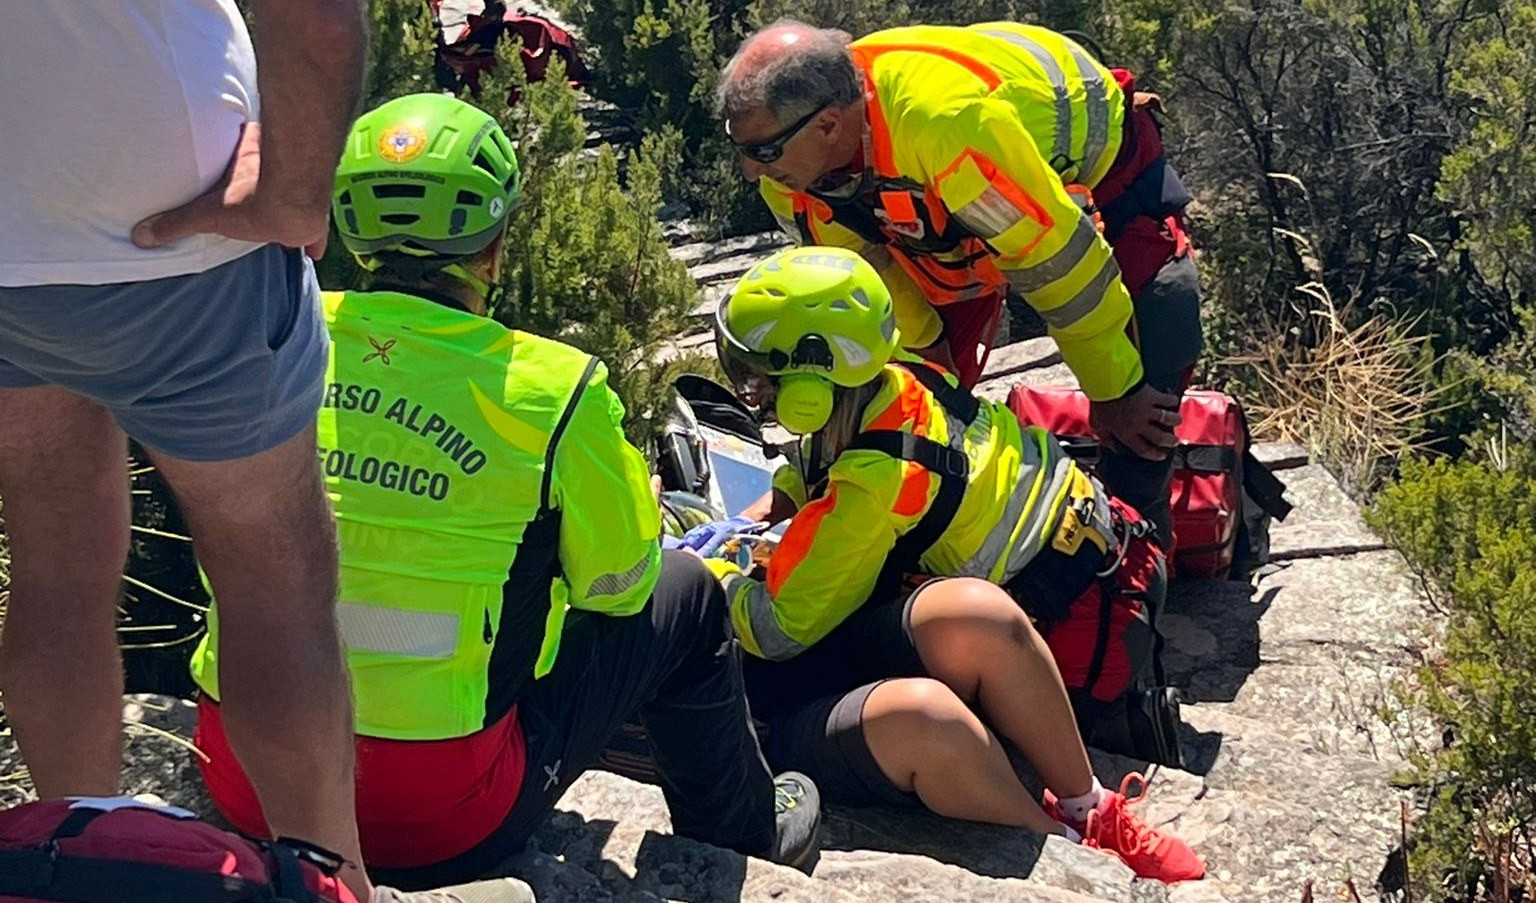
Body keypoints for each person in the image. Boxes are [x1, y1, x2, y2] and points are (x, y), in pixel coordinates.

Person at [189, 93, 823, 892]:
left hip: (249, 783)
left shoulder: (265, 334)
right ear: (492, 249)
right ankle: (747, 831)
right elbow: (621, 586)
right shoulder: (551, 391)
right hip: (438, 818)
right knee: (687, 592)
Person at [0, 3, 403, 900]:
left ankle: (73, 862)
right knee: (275, 580)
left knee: (54, 565)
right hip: (182, 244)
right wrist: (294, 196)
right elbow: (319, 20)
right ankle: (330, 883)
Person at [702, 245, 1203, 883]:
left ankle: (1090, 810)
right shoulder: (897, 385)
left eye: (761, 379)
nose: (756, 395)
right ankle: (1062, 844)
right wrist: (764, 512)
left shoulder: (878, 482)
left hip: (794, 675)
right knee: (930, 705)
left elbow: (778, 629)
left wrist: (710, 573)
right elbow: (821, 459)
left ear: (810, 386)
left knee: (979, 614)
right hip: (1092, 572)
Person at [715, 20, 1205, 548]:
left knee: (1149, 369)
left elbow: (1060, 268)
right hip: (935, 213)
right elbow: (869, 280)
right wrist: (933, 366)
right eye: (739, 147)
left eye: (760, 152)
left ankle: (1132, 561)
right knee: (905, 394)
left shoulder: (947, 123)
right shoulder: (789, 170)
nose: (747, 171)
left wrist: (1114, 395)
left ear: (829, 126)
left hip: (1099, 169)